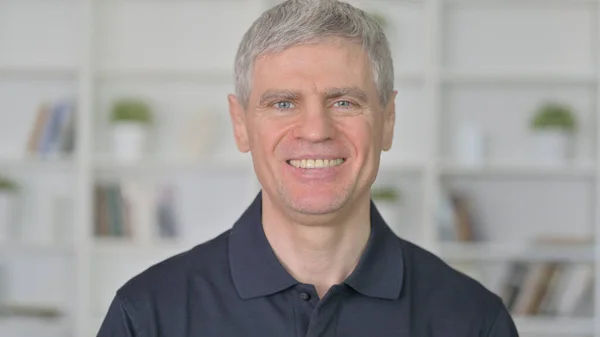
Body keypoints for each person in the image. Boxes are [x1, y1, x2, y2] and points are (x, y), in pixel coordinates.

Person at [97, 0, 519, 336]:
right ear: (241, 125)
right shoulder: (148, 315)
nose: (316, 131)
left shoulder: (473, 321)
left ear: (387, 121)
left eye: (344, 102)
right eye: (283, 103)